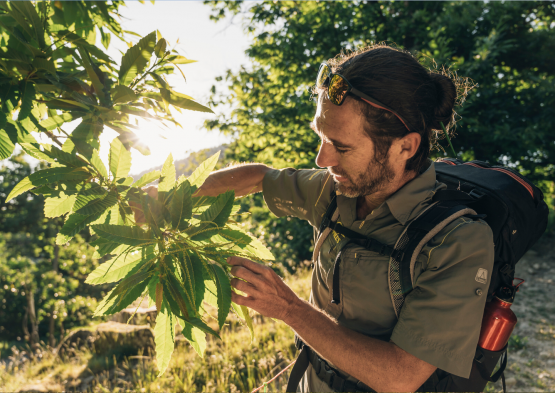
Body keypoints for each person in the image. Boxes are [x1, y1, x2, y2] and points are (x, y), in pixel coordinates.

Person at [142, 45, 494, 392]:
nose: (322, 159)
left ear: (406, 147)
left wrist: (288, 308)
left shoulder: (457, 241)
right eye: (322, 137)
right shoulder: (334, 192)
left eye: (341, 147)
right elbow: (260, 178)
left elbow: (399, 377)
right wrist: (175, 200)